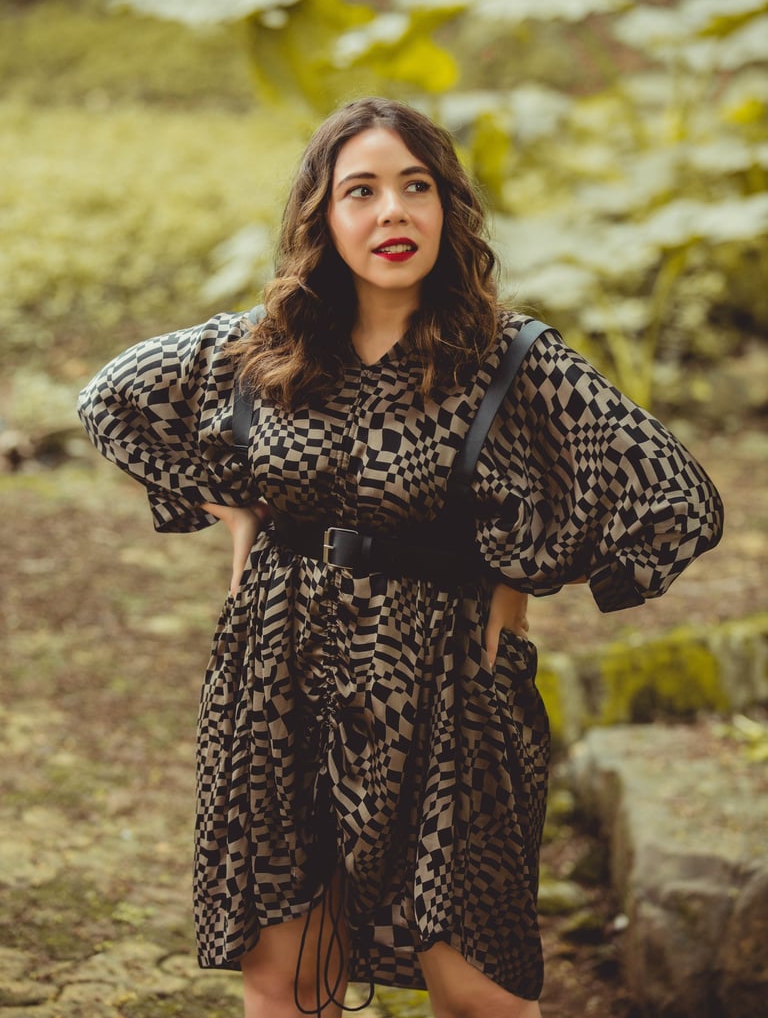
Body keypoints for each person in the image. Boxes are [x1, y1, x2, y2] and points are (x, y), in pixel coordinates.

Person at [78, 96, 724, 1018]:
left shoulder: (513, 361)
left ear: (446, 208)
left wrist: (519, 572)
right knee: (286, 976)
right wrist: (230, 510)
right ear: (323, 216)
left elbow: (676, 499)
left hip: (449, 687)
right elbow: (110, 399)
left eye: (416, 187)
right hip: (278, 677)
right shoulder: (263, 348)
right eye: (362, 191)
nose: (393, 211)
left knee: (477, 989)